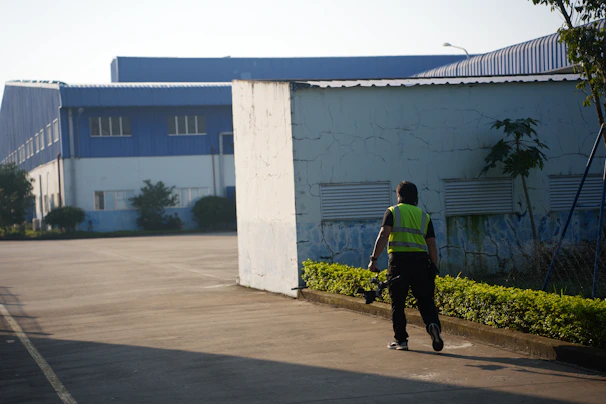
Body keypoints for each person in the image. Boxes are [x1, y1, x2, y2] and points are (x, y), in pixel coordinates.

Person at [367, 181, 443, 352]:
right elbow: (432, 245)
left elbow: (384, 235)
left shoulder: (393, 211)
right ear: (416, 197)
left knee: (398, 303)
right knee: (425, 300)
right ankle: (433, 325)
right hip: (421, 262)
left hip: (398, 262)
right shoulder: (424, 216)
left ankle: (401, 340)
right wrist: (434, 267)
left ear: (399, 196)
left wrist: (374, 259)